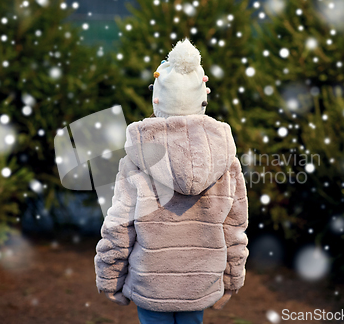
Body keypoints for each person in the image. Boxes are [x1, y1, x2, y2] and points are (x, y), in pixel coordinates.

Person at [94, 38, 249, 324]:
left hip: (152, 282)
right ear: (204, 97)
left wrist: (110, 275)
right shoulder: (226, 159)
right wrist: (231, 277)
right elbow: (234, 227)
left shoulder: (137, 156)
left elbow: (119, 225)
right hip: (199, 282)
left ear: (156, 99)